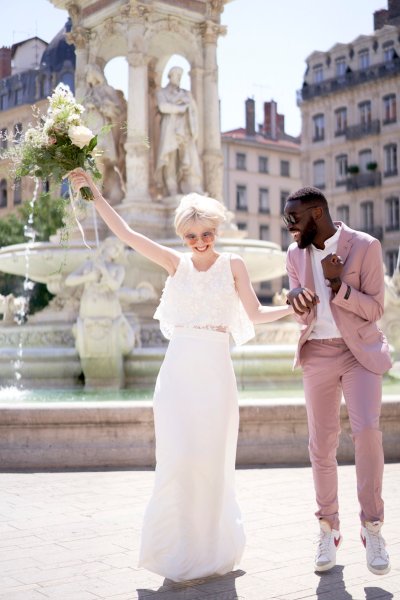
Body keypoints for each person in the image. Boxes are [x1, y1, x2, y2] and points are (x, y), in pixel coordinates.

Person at [68, 167, 297, 582]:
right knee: (178, 461)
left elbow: (256, 314)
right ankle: (174, 554)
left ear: (215, 229)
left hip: (216, 373)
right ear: (183, 237)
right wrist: (95, 195)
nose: (199, 242)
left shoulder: (234, 264)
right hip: (177, 375)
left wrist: (294, 309)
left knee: (211, 462)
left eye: (205, 233)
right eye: (191, 236)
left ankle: (212, 553)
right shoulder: (176, 263)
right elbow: (128, 236)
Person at [283, 186, 392, 576]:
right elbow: (301, 313)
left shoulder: (365, 246)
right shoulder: (294, 254)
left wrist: (338, 287)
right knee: (321, 444)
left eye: (293, 219)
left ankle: (373, 528)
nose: (289, 228)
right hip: (317, 351)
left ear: (317, 213)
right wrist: (296, 299)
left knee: (366, 432)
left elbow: (376, 307)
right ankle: (328, 529)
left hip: (359, 351)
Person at [155, 66, 202, 196]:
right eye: (176, 75)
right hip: (169, 129)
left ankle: (189, 187)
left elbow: (193, 109)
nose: (178, 78)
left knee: (187, 159)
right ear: (169, 76)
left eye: (180, 76)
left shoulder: (186, 93)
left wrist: (188, 105)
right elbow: (163, 107)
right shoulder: (162, 92)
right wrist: (180, 108)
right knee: (169, 159)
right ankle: (172, 189)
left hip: (184, 130)